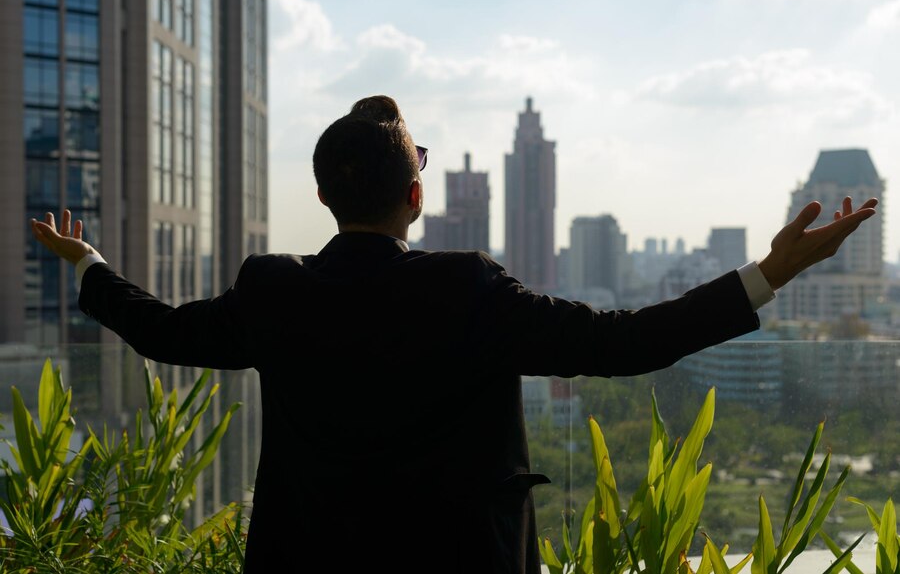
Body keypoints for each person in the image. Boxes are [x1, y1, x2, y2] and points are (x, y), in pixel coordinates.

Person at [31, 95, 877, 574]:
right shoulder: (468, 288)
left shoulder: (273, 290)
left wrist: (89, 265)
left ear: (324, 198)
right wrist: (771, 272)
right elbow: (624, 344)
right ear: (416, 199)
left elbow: (163, 333)